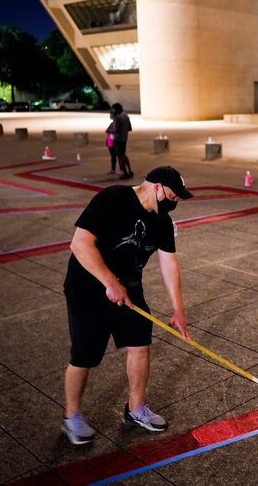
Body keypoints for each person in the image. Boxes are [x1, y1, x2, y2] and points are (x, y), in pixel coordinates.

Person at [60, 165, 192, 445]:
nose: (176, 201)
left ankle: (135, 409)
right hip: (88, 289)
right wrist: (109, 281)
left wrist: (178, 308)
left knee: (140, 344)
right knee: (84, 356)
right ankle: (71, 417)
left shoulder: (162, 222)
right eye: (173, 194)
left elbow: (169, 263)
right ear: (156, 187)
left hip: (129, 288)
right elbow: (80, 244)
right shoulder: (112, 199)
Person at [111, 103, 133, 179]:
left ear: (116, 109)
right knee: (123, 155)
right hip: (124, 138)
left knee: (119, 156)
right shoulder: (126, 116)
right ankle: (129, 170)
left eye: (113, 109)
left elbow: (116, 129)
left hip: (118, 139)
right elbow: (130, 128)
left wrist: (110, 130)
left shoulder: (117, 117)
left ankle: (124, 173)